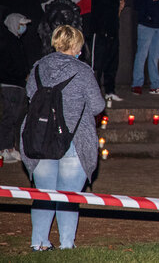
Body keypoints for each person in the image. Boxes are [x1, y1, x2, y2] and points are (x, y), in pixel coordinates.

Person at [20, 25, 105, 251]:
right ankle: (66, 244)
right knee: (69, 195)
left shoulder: (38, 67)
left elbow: (30, 96)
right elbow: (98, 106)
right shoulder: (84, 71)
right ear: (77, 46)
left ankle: (39, 243)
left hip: (40, 138)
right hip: (73, 140)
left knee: (43, 194)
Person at [0, 13, 32, 163]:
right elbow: (6, 67)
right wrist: (21, 75)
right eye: (21, 25)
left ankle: (11, 147)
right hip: (10, 84)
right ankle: (3, 149)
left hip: (19, 84)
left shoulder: (16, 41)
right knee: (9, 117)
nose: (23, 28)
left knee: (16, 117)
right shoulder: (7, 42)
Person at [90, 0, 125, 102]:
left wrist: (119, 7)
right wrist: (116, 4)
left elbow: (112, 16)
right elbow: (102, 11)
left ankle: (110, 91)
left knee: (112, 64)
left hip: (112, 33)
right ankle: (95, 91)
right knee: (98, 65)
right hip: (100, 34)